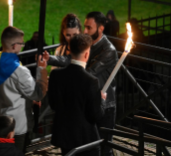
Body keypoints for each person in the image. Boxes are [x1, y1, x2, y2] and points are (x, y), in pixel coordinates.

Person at [44, 12, 118, 156]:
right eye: (85, 27)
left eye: (89, 28)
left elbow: (88, 72)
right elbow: (71, 59)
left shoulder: (108, 50)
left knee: (104, 147)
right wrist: (50, 58)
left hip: (105, 104)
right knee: (87, 144)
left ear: (101, 29)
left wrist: (64, 78)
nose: (85, 31)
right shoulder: (86, 44)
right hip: (88, 101)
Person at [0, 26, 48, 152]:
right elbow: (38, 93)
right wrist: (42, 69)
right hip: (16, 128)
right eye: (21, 43)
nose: (22, 45)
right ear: (14, 46)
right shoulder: (19, 71)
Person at [49, 34, 106, 156]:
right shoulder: (91, 81)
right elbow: (96, 116)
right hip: (85, 141)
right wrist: (101, 100)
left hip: (65, 137)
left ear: (70, 50)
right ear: (86, 54)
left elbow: (54, 105)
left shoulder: (56, 75)